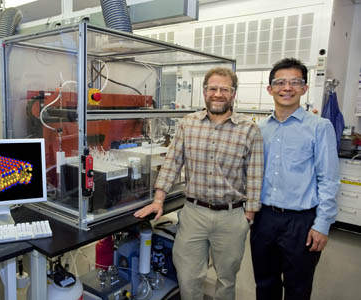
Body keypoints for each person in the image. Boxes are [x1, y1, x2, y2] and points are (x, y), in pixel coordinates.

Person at [134, 67, 264, 300]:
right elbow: (173, 162)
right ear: (204, 92)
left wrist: (249, 216)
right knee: (188, 276)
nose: (218, 94)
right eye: (213, 88)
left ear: (233, 93)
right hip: (194, 213)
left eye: (225, 89)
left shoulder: (249, 129)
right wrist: (158, 200)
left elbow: (254, 175)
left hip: (232, 216)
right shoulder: (188, 123)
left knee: (226, 279)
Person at [250, 58, 340, 300]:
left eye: (294, 82)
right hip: (263, 220)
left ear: (304, 88)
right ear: (270, 89)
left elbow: (329, 180)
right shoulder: (259, 129)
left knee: (298, 289)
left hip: (301, 223)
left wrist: (322, 225)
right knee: (264, 284)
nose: (286, 88)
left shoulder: (320, 127)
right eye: (280, 82)